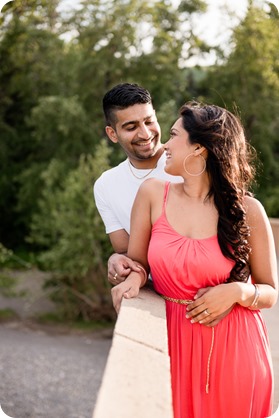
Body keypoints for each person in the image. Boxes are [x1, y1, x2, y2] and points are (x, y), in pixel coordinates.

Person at [111, 101, 278, 418]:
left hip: (236, 352)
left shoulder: (248, 210)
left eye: (173, 135)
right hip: (171, 345)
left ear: (199, 148)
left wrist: (238, 292)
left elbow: (270, 290)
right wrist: (128, 273)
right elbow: (137, 264)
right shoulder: (151, 194)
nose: (164, 144)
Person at [93, 82, 181, 284]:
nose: (145, 134)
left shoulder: (187, 165)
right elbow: (126, 252)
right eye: (131, 127)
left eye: (149, 121)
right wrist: (116, 258)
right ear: (112, 134)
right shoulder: (106, 185)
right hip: (156, 292)